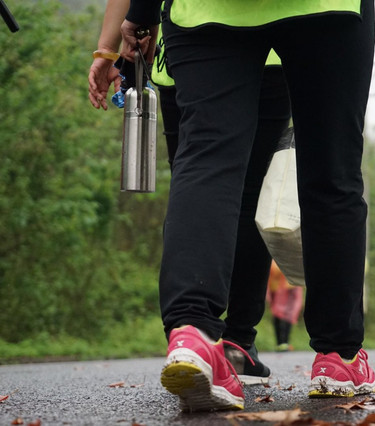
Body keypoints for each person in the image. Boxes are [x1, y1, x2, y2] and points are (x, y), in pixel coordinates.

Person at [119, 0, 375, 411]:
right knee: (332, 172)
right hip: (324, 9)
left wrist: (142, 11)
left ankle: (194, 334)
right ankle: (339, 357)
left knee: (207, 160)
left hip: (207, 9)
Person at [88, 0, 292, 388]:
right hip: (271, 50)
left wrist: (108, 47)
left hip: (183, 42)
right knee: (250, 192)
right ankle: (236, 342)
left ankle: (192, 334)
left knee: (198, 176)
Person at [267, 260, 304, 352]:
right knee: (279, 314)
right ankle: (281, 343)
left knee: (287, 315)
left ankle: (284, 342)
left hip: (289, 288)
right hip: (278, 289)